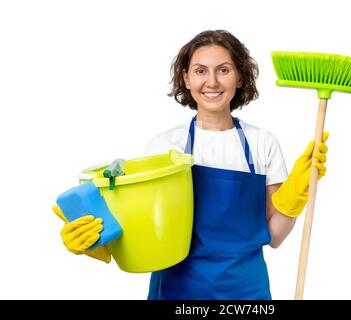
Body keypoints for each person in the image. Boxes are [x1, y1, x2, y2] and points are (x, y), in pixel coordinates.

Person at [53, 30, 329, 300]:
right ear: (186, 79)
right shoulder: (164, 147)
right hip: (176, 291)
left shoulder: (262, 143)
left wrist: (296, 195)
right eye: (200, 71)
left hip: (245, 291)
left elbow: (275, 237)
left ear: (240, 77)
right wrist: (101, 244)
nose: (212, 82)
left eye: (223, 70)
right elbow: (142, 233)